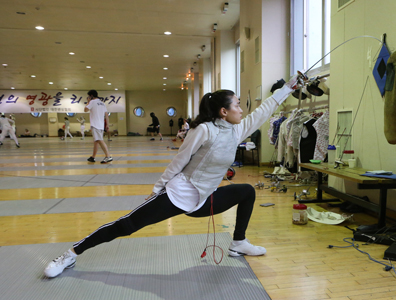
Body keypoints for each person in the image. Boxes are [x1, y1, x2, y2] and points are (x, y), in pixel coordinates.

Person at [43, 76, 298, 278]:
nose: (242, 110)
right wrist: (157, 190)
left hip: (204, 199)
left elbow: (264, 110)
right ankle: (70, 254)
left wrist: (288, 88)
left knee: (247, 191)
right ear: (223, 111)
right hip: (179, 194)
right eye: (238, 105)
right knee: (127, 225)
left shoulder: (237, 130)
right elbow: (180, 160)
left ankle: (238, 242)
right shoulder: (203, 130)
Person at [84, 90, 112, 164]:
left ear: (92, 96)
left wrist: (88, 102)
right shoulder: (102, 103)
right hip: (101, 125)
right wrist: (107, 125)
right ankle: (93, 157)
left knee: (99, 140)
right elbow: (106, 115)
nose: (88, 97)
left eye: (89, 96)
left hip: (95, 125)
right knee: (96, 141)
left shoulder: (92, 102)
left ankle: (108, 156)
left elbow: (85, 110)